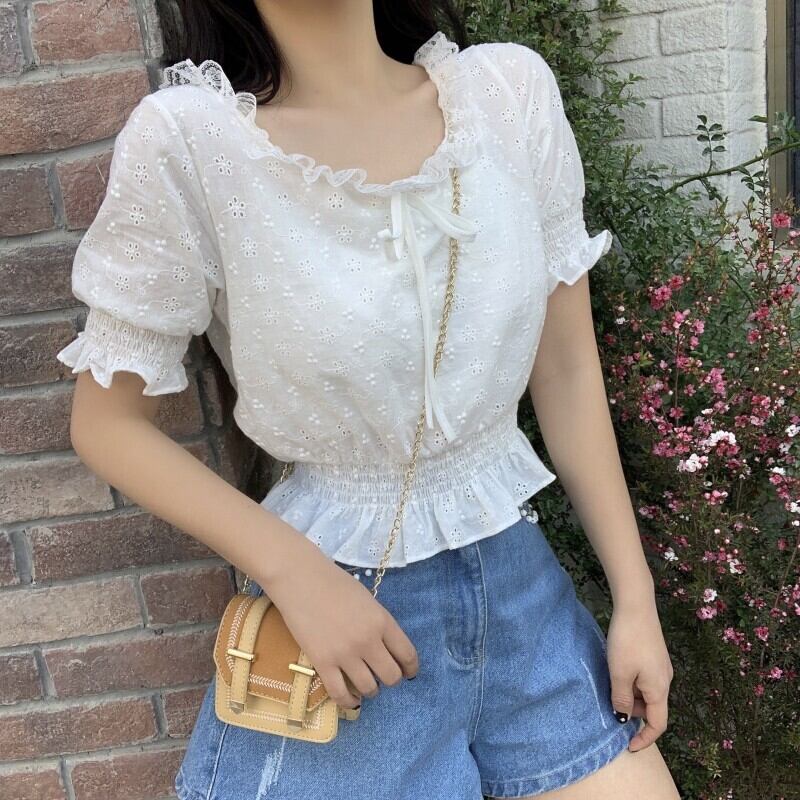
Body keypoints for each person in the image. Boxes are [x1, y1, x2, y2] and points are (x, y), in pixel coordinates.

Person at [56, 1, 682, 798]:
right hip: (343, 628)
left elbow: (565, 369)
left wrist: (635, 598)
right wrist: (295, 573)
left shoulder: (508, 92)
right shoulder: (191, 141)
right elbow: (107, 425)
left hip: (524, 596)